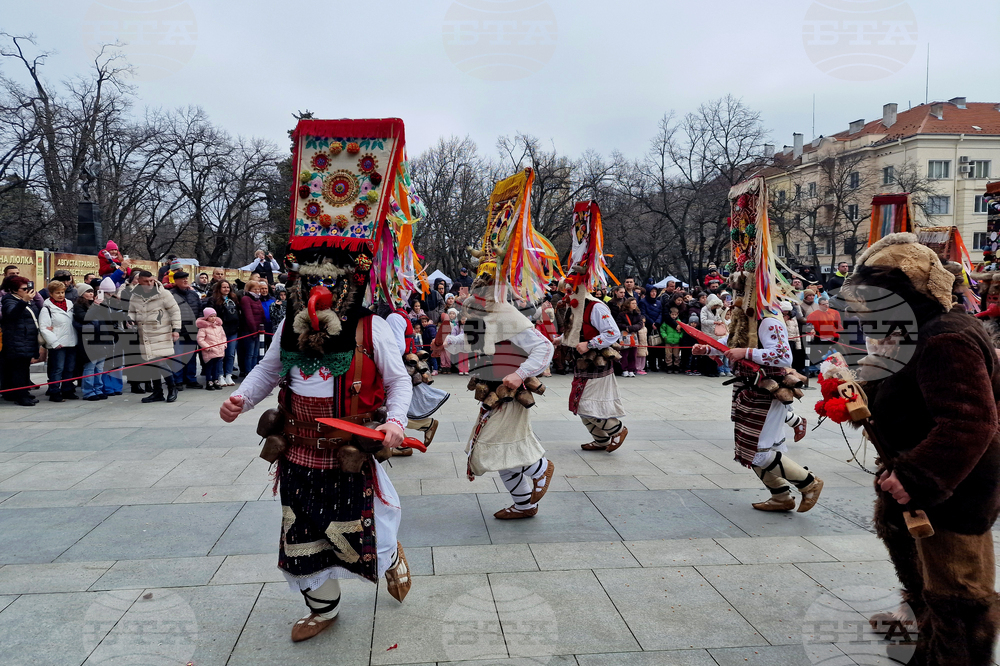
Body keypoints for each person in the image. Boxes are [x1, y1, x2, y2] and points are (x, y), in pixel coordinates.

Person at [221, 115, 416, 644]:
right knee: (300, 529)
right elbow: (269, 367)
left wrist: (396, 420)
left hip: (348, 446)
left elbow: (399, 383)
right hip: (298, 450)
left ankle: (393, 555)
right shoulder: (289, 322)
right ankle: (322, 607)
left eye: (328, 280)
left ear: (348, 283)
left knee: (367, 521)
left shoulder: (372, 328)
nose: (317, 290)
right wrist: (241, 396)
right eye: (309, 279)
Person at [850, 233, 1000, 663]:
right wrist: (856, 392)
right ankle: (921, 634)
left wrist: (916, 475)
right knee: (925, 577)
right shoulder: (918, 330)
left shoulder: (944, 337)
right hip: (927, 481)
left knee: (960, 594)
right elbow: (911, 389)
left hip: (955, 489)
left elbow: (969, 421)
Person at [694, 177, 822, 513]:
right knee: (750, 448)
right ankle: (781, 496)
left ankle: (809, 483)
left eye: (739, 288)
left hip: (768, 388)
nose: (733, 294)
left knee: (762, 452)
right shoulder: (744, 315)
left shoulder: (768, 316)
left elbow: (781, 355)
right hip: (748, 386)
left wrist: (744, 353)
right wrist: (711, 349)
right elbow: (731, 343)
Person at [448, 169, 556, 520]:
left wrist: (520, 374)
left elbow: (544, 349)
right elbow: (470, 343)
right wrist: (446, 345)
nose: (476, 288)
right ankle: (530, 489)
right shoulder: (483, 313)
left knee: (495, 449)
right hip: (491, 387)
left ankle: (536, 477)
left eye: (483, 282)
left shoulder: (506, 312)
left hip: (508, 390)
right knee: (500, 448)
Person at [560, 200, 629, 453]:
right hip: (580, 361)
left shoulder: (596, 306)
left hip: (596, 359)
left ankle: (616, 430)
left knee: (589, 405)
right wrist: (559, 341)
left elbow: (613, 333)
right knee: (578, 404)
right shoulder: (573, 307)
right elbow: (571, 331)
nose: (566, 292)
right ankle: (601, 440)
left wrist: (589, 343)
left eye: (570, 287)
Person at [128, 271, 181, 403]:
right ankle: (157, 392)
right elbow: (131, 311)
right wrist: (130, 320)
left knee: (160, 362)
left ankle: (172, 388)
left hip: (161, 333)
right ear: (139, 281)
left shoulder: (164, 293)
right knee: (151, 363)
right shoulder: (135, 295)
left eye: (151, 281)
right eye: (146, 281)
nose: (150, 284)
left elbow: (175, 311)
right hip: (144, 334)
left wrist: (176, 329)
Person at [0, 276, 41, 406]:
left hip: (27, 339)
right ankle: (20, 396)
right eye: (24, 288)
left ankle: (24, 393)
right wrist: (24, 301)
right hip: (16, 340)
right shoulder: (9, 300)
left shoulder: (28, 300)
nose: (27, 290)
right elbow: (11, 315)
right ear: (14, 290)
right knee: (18, 369)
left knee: (24, 368)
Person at [39, 280, 79, 402]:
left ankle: (67, 389)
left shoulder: (70, 304)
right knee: (57, 368)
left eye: (62, 292)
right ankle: (54, 391)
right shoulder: (47, 308)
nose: (61, 295)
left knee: (69, 368)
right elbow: (44, 328)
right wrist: (54, 343)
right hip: (58, 343)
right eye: (57, 293)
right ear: (51, 293)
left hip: (71, 341)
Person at [72, 285, 107, 401]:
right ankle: (88, 391)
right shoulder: (78, 306)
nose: (91, 294)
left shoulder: (95, 305)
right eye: (88, 292)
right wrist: (95, 306)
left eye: (92, 291)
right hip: (89, 341)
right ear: (82, 294)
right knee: (90, 367)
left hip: (100, 339)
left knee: (99, 368)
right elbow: (85, 318)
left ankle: (98, 389)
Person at [170, 271, 203, 390]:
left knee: (191, 357)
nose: (185, 280)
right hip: (178, 330)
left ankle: (191, 379)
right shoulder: (171, 294)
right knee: (177, 356)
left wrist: (198, 323)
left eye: (186, 278)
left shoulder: (193, 294)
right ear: (175, 281)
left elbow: (200, 308)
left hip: (192, 329)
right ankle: (177, 380)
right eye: (182, 279)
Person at [206, 280, 240, 386]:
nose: (226, 289)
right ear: (219, 288)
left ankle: (228, 374)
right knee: (220, 354)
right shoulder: (213, 300)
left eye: (228, 287)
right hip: (219, 330)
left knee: (230, 354)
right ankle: (220, 375)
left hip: (233, 329)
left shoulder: (234, 299)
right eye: (224, 287)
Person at [196, 307, 227, 390]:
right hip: (209, 351)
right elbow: (200, 339)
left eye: (214, 316)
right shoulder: (203, 328)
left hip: (219, 349)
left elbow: (223, 336)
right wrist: (207, 347)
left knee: (217, 366)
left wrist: (224, 344)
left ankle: (215, 379)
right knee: (209, 366)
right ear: (206, 317)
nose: (213, 318)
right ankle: (209, 381)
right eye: (211, 316)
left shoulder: (219, 326)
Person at [239, 280, 265, 376]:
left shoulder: (257, 299)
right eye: (255, 289)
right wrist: (254, 330)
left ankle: (254, 371)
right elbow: (248, 316)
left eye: (258, 289)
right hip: (249, 330)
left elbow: (261, 314)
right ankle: (248, 371)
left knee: (255, 353)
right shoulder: (246, 299)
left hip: (259, 330)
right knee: (249, 353)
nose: (257, 291)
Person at [616, 297, 643, 377]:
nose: (634, 305)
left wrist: (631, 328)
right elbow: (618, 323)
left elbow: (640, 324)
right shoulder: (622, 314)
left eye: (635, 303)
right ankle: (624, 369)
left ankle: (631, 369)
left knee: (633, 354)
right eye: (633, 303)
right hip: (624, 335)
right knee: (624, 354)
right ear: (628, 304)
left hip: (633, 335)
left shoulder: (637, 313)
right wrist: (626, 327)